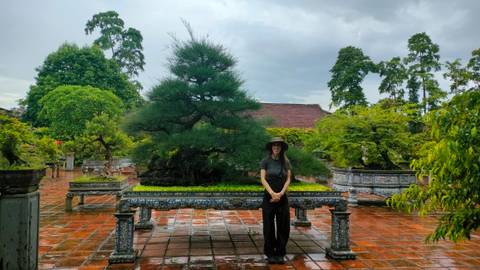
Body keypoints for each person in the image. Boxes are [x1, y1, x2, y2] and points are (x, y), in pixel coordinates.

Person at [260, 137, 291, 264]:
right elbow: (263, 179)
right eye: (274, 146)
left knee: (283, 226)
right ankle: (270, 253)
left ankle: (280, 253)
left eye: (278, 146)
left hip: (282, 197)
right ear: (271, 148)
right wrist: (272, 193)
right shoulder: (265, 161)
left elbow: (288, 179)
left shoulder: (286, 162)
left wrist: (281, 194)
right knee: (268, 226)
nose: (276, 148)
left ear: (282, 148)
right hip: (269, 197)